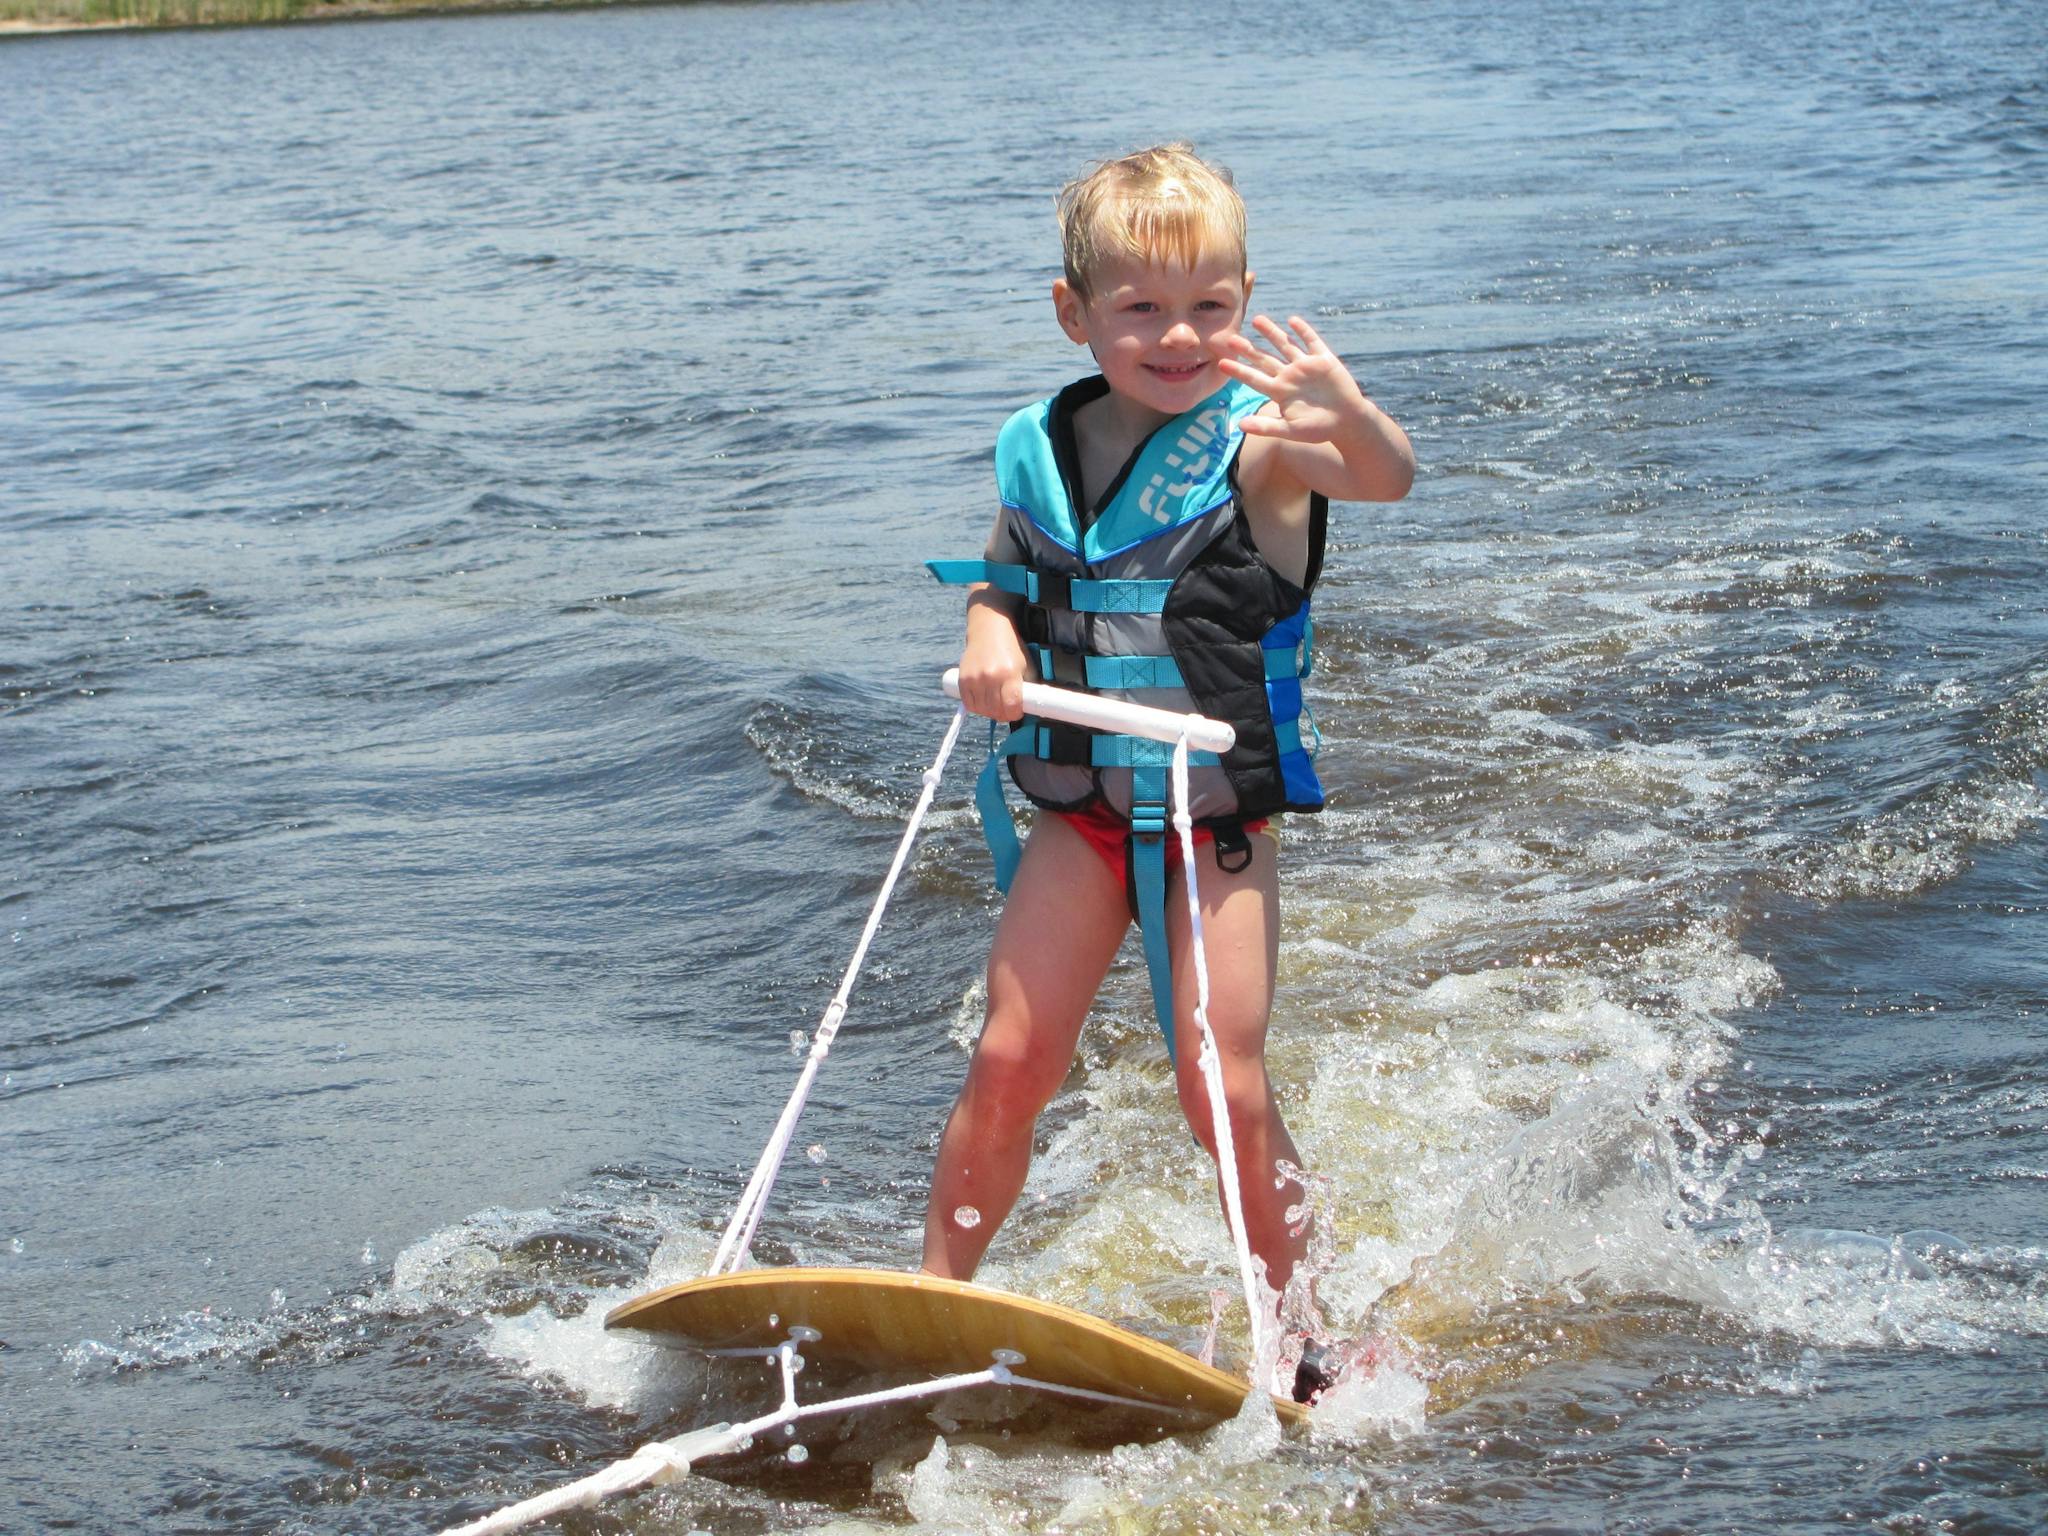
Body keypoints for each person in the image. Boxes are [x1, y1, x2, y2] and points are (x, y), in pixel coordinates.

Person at [920, 144, 1413, 1377]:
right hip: (1080, 817)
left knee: (1217, 1082)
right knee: (1007, 1057)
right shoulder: (1038, 446)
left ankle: (1306, 1338)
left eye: (1210, 306)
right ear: (1072, 312)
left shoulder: (1264, 445)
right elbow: (1004, 573)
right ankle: (931, 1304)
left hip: (1210, 827)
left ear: (1244, 300)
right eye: (1139, 308)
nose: (1177, 336)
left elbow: (1381, 479)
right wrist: (988, 629)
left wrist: (1344, 416)